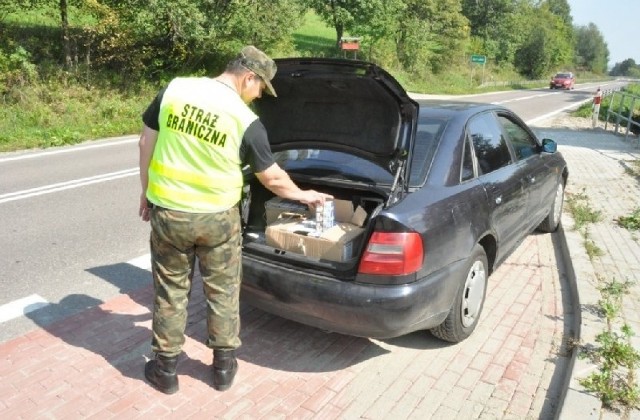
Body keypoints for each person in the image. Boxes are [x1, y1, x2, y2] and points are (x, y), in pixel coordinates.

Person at [138, 45, 331, 394]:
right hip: (217, 221)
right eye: (260, 89)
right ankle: (223, 369)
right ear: (248, 77)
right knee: (223, 291)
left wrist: (146, 193)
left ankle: (165, 371)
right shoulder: (245, 121)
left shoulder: (175, 90)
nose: (258, 96)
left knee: (170, 292)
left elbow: (144, 142)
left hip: (169, 213)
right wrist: (306, 195)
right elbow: (271, 178)